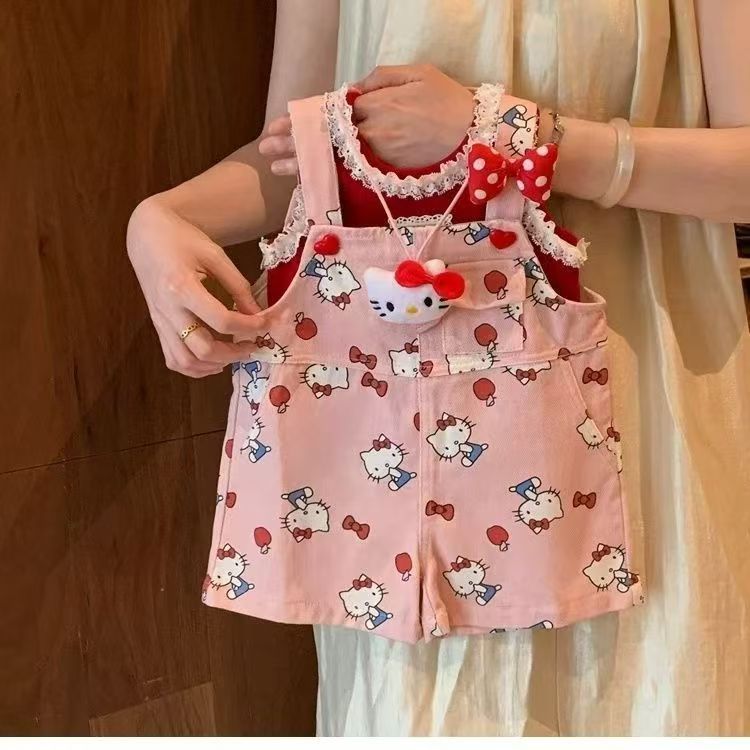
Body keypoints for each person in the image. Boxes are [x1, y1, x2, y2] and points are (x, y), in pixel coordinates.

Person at [127, 0, 750, 736]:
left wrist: (519, 138)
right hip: (389, 458)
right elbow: (297, 160)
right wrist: (160, 218)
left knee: (654, 698)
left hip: (646, 405)